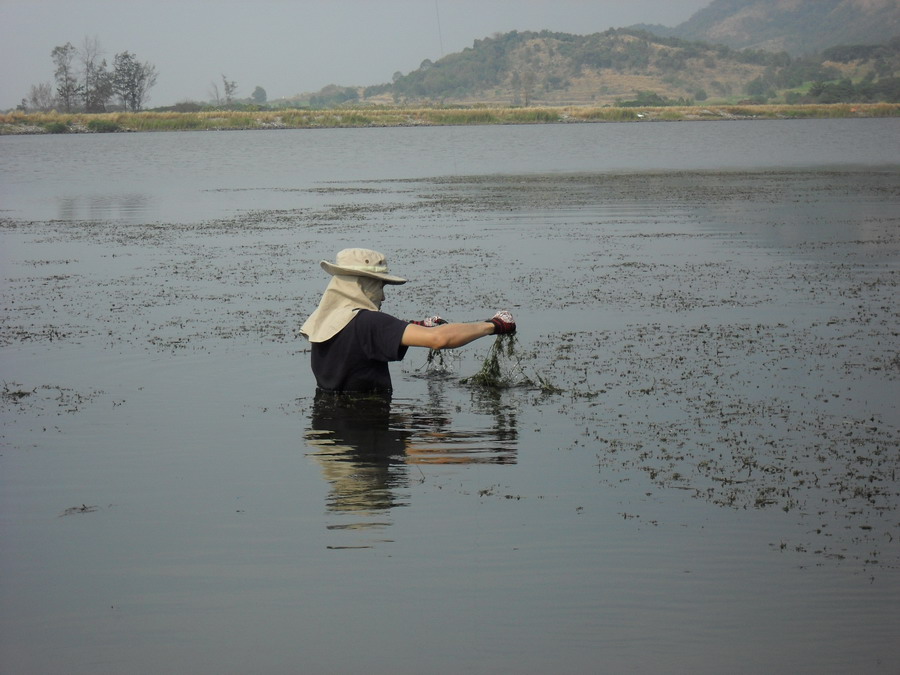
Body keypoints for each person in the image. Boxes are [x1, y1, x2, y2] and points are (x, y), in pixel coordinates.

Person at [300, 248, 516, 395]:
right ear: (363, 285)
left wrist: (412, 327)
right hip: (368, 443)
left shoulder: (325, 320)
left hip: (331, 435)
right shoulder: (368, 322)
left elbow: (357, 345)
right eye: (380, 287)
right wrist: (494, 325)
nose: (383, 297)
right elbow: (439, 339)